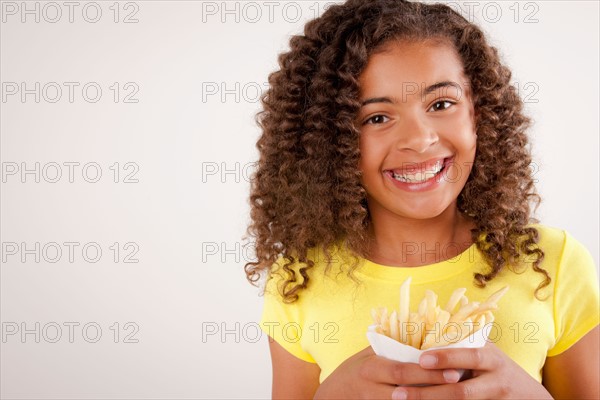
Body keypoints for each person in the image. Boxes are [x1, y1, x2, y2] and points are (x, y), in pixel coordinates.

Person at [244, 0, 599, 398]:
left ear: (479, 114)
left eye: (441, 104)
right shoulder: (298, 279)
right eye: (377, 117)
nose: (419, 139)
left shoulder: (555, 263)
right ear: (332, 140)